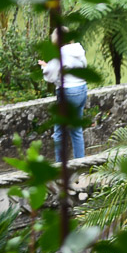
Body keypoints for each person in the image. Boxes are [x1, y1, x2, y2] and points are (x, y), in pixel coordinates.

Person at [39, 27, 87, 162]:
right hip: (82, 89)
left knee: (59, 133)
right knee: (77, 131)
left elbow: (50, 76)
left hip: (68, 93)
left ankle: (60, 166)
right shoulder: (78, 50)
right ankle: (80, 163)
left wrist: (45, 67)